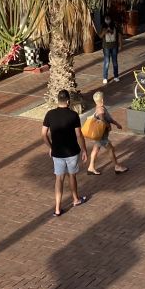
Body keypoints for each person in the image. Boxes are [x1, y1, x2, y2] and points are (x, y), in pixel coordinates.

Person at [41, 89, 88, 217]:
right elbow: (79, 134)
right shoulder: (73, 115)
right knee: (72, 176)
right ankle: (76, 199)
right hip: (72, 152)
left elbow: (43, 134)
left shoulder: (50, 114)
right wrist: (84, 150)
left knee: (59, 179)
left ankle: (57, 208)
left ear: (58, 100)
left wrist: (51, 147)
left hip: (57, 153)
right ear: (68, 101)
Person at [83, 90, 127, 175]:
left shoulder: (99, 107)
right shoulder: (100, 109)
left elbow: (109, 118)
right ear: (102, 100)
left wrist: (116, 124)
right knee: (110, 149)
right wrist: (108, 126)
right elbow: (103, 119)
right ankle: (117, 167)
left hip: (100, 135)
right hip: (102, 135)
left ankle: (91, 167)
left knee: (96, 149)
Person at [98, 17, 121, 83]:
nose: (107, 20)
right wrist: (105, 30)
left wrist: (120, 45)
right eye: (106, 18)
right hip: (106, 47)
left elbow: (119, 35)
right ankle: (105, 77)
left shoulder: (115, 25)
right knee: (107, 62)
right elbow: (100, 36)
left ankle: (116, 76)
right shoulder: (103, 26)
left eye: (109, 18)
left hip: (114, 46)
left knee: (115, 62)